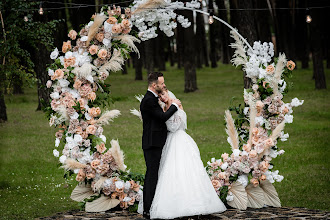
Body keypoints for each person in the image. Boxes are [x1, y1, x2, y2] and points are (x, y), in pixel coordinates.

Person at [148, 88, 227, 219]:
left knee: (186, 168)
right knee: (171, 170)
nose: (162, 97)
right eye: (160, 96)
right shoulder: (163, 109)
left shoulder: (176, 105)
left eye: (163, 94)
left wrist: (169, 111)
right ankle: (173, 201)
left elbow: (176, 126)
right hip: (169, 141)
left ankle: (193, 202)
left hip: (180, 140)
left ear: (168, 92)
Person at [140, 72, 181, 219]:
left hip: (156, 142)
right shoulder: (149, 100)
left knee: (155, 175)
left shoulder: (153, 98)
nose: (164, 85)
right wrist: (175, 105)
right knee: (151, 176)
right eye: (162, 83)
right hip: (152, 144)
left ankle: (153, 207)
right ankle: (147, 210)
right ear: (154, 85)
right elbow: (163, 117)